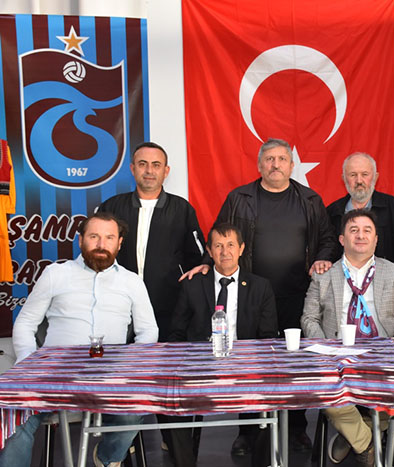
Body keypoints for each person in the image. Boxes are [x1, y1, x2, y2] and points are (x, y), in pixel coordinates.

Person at [183, 138, 336, 453]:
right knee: (250, 362)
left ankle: (296, 428)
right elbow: (220, 234)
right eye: (269, 158)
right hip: (249, 294)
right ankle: (248, 431)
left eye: (281, 159)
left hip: (297, 295)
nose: (275, 164)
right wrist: (206, 263)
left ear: (291, 165)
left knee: (295, 362)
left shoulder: (309, 199)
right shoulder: (239, 198)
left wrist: (322, 258)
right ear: (259, 164)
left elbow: (327, 238)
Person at [4, 212, 159, 467]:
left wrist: (132, 365)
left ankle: (107, 458)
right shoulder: (55, 274)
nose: (101, 244)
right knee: (15, 415)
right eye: (94, 236)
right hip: (54, 374)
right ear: (80, 240)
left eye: (109, 238)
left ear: (119, 243)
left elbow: (148, 330)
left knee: (135, 410)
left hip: (112, 375)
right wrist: (28, 362)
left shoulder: (132, 282)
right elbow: (26, 322)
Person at [301, 210, 394, 467]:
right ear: (342, 239)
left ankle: (352, 436)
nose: (360, 236)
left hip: (382, 354)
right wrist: (327, 348)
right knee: (323, 388)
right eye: (354, 230)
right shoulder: (324, 274)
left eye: (367, 230)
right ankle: (367, 442)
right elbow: (309, 318)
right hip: (337, 355)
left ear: (376, 239)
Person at [166, 222, 277, 467]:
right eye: (218, 246)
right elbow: (176, 333)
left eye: (230, 245)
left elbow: (268, 337)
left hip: (247, 366)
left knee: (270, 400)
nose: (225, 252)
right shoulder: (193, 284)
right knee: (172, 400)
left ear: (241, 249)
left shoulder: (260, 286)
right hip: (200, 365)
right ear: (209, 250)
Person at [98, 142, 205, 341]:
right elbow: (96, 252)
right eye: (142, 164)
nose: (149, 170)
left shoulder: (182, 209)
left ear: (166, 171)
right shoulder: (112, 207)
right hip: (118, 305)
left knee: (165, 358)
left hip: (168, 305)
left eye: (156, 165)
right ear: (133, 169)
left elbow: (197, 257)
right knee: (118, 357)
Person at [326, 152, 394, 277]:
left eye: (365, 174)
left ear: (375, 177)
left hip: (386, 283)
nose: (359, 180)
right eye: (353, 175)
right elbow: (327, 251)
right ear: (344, 178)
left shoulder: (393, 207)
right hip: (344, 284)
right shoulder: (333, 212)